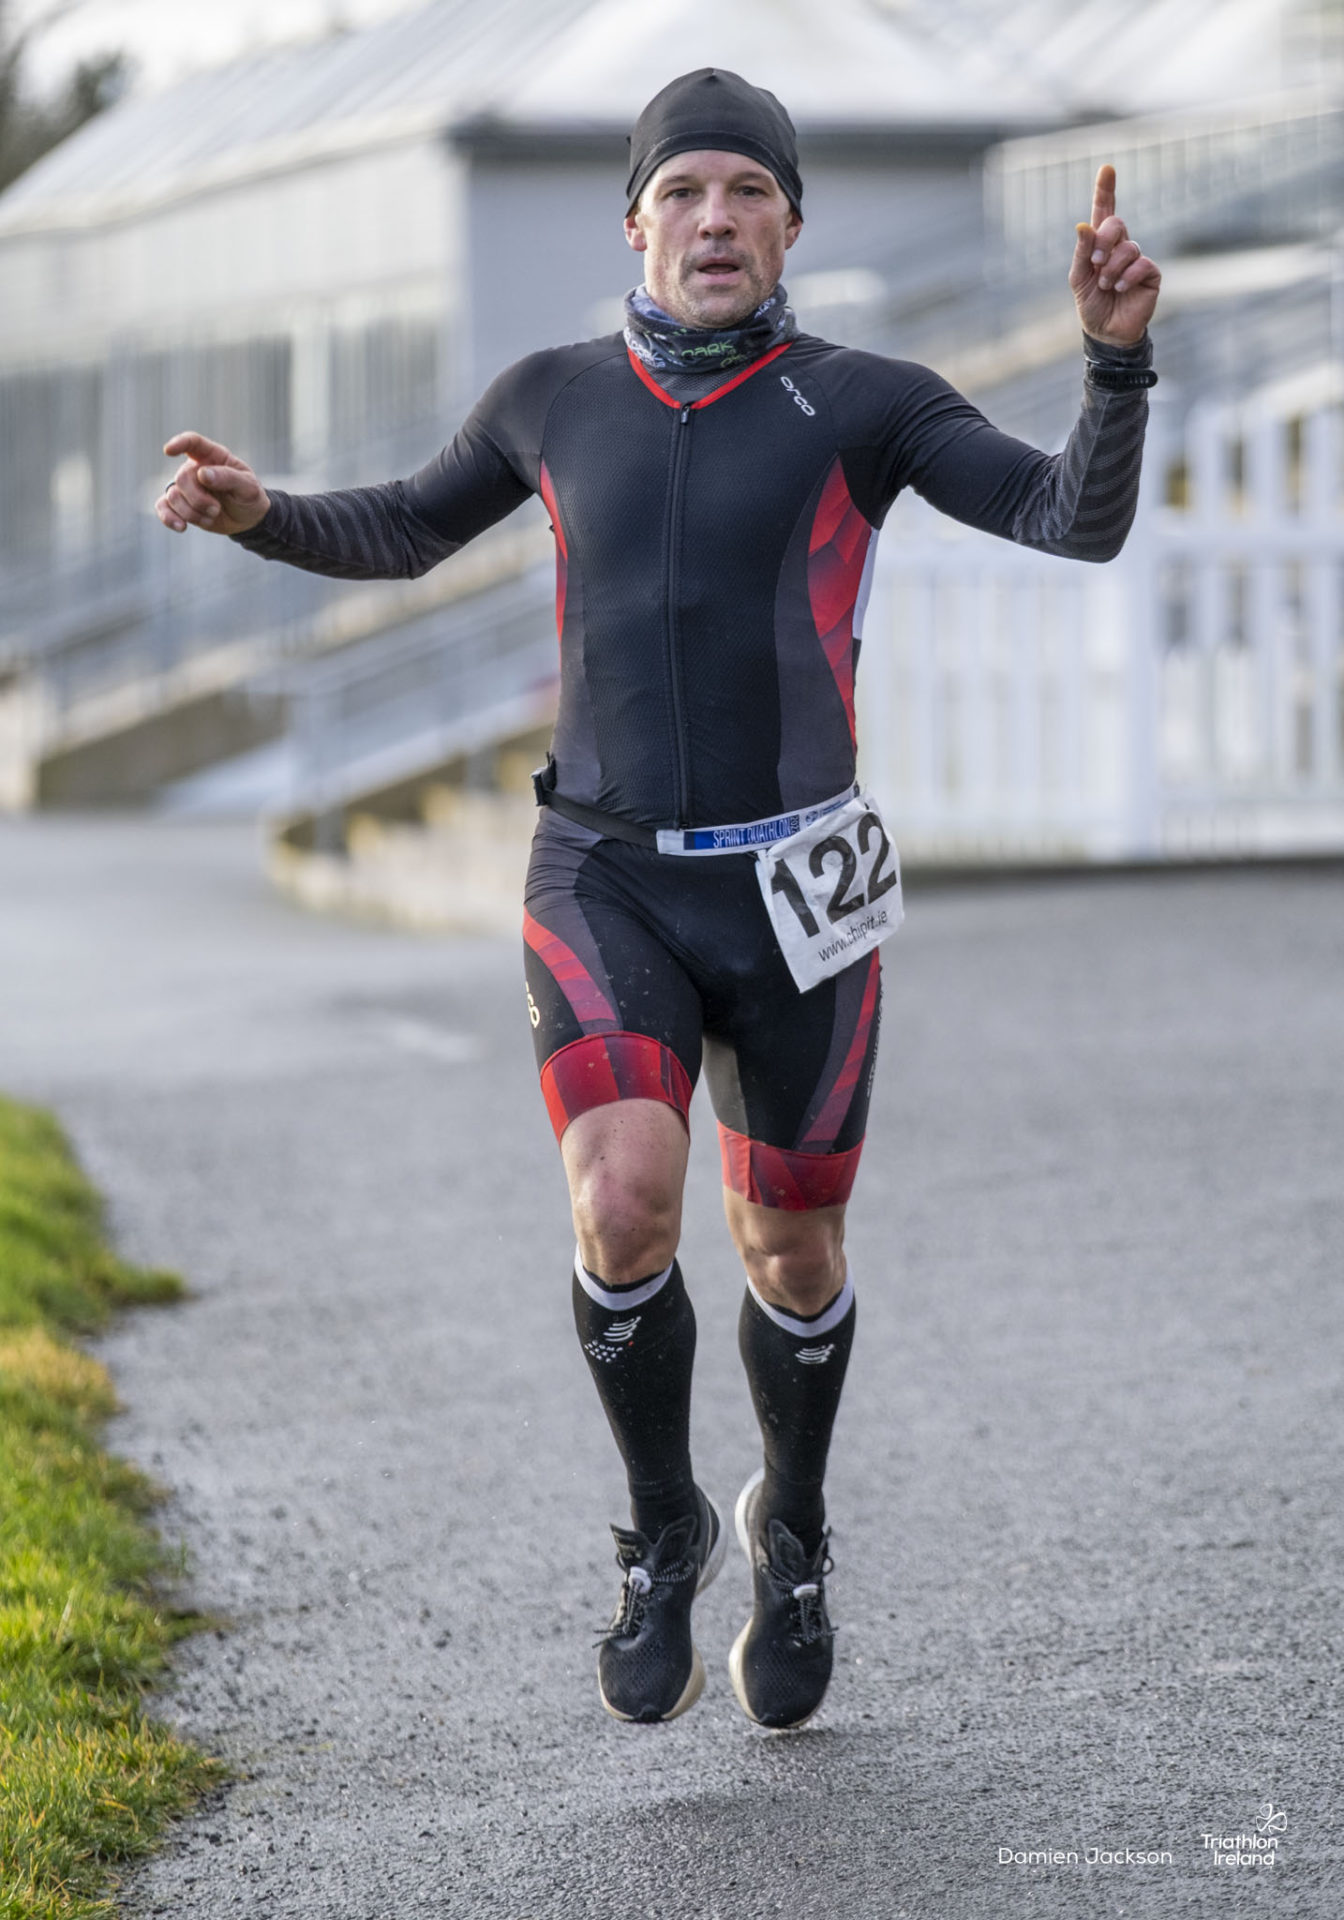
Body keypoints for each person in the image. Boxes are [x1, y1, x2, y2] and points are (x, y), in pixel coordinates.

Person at [156, 68, 1160, 1731]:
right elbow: (404, 528)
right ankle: (661, 1528)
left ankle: (794, 1530)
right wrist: (262, 517)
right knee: (622, 1202)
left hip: (798, 888)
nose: (714, 219)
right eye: (682, 191)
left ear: (791, 227)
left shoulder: (870, 403)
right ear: (633, 223)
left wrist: (1115, 364)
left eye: (747, 192)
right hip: (604, 871)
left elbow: (1075, 520)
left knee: (793, 1249)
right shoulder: (551, 398)